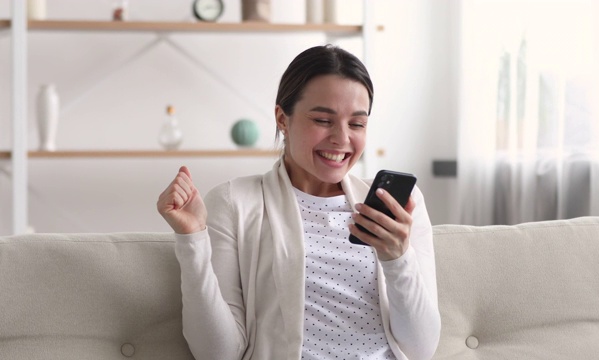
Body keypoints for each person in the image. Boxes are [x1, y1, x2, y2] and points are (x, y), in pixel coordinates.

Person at [157, 44, 441, 360]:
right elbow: (217, 353)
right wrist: (192, 241)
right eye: (323, 120)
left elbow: (422, 349)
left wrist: (397, 257)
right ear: (282, 118)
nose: (342, 138)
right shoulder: (235, 202)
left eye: (357, 124)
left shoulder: (400, 206)